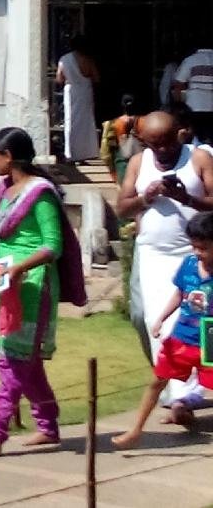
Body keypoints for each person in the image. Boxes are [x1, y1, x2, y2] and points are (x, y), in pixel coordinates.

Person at [0, 127, 87, 459]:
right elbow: (8, 239)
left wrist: (20, 268)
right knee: (23, 362)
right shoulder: (5, 189)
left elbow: (52, 246)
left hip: (33, 284)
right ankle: (48, 426)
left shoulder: (41, 194)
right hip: (4, 283)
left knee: (13, 362)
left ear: (8, 157)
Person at [119, 110, 213, 415]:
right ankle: (172, 383)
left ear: (180, 135)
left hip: (193, 252)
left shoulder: (198, 158)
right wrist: (145, 198)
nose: (161, 150)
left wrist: (186, 198)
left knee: (188, 320)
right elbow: (121, 208)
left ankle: (184, 396)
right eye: (154, 144)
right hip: (152, 253)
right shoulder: (138, 162)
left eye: (167, 143)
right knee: (147, 319)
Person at [112, 211, 213, 447]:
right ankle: (136, 430)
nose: (198, 253)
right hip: (182, 337)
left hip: (209, 340)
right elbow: (180, 294)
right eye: (194, 247)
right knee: (157, 381)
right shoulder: (188, 265)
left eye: (204, 248)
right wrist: (160, 319)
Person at [56, 35, 100, 162]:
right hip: (85, 91)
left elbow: (59, 78)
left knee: (71, 120)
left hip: (71, 91)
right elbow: (96, 77)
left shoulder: (64, 59)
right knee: (85, 122)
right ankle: (85, 152)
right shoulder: (88, 59)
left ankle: (71, 153)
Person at [173, 44, 213, 146]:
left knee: (196, 137)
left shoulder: (191, 60)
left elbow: (179, 83)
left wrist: (178, 105)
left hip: (195, 105)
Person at [101, 94, 141, 185]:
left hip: (121, 163)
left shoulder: (113, 124)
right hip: (138, 163)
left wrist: (112, 169)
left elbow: (106, 150)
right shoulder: (142, 122)